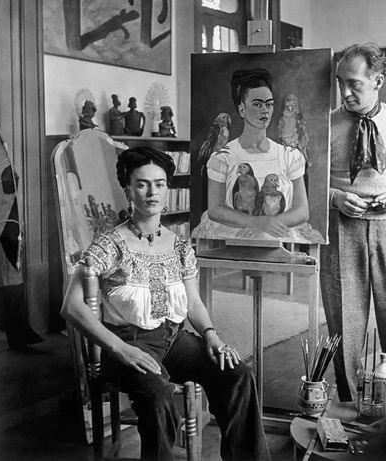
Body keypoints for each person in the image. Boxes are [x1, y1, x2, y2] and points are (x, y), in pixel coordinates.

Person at [61, 146, 270, 461]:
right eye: (142, 183)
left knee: (237, 374)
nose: (151, 191)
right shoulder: (109, 245)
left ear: (167, 189)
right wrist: (119, 348)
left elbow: (193, 303)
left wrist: (211, 334)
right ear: (128, 189)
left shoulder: (179, 244)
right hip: (127, 343)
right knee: (159, 396)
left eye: (159, 184)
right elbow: (71, 307)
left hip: (173, 339)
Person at [320, 42, 386, 406]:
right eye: (340, 83)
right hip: (340, 231)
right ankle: (351, 406)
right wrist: (335, 197)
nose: (345, 92)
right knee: (345, 325)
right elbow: (306, 181)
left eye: (354, 84)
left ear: (378, 80)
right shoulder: (327, 124)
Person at [192, 67, 316, 243]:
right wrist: (255, 223)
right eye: (257, 104)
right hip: (232, 244)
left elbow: (302, 210)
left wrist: (267, 225)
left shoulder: (289, 156)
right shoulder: (223, 157)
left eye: (269, 104)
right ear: (242, 110)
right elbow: (215, 209)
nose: (264, 110)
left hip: (281, 244)